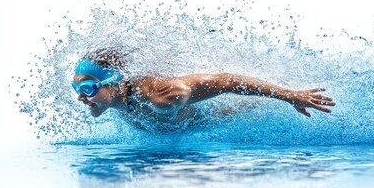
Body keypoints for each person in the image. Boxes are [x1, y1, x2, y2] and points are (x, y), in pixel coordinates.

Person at [72, 49, 335, 130]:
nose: (80, 96)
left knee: (238, 108)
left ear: (115, 83)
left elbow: (226, 81)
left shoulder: (160, 95)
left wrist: (289, 95)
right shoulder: (117, 100)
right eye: (76, 87)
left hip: (213, 117)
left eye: (87, 87)